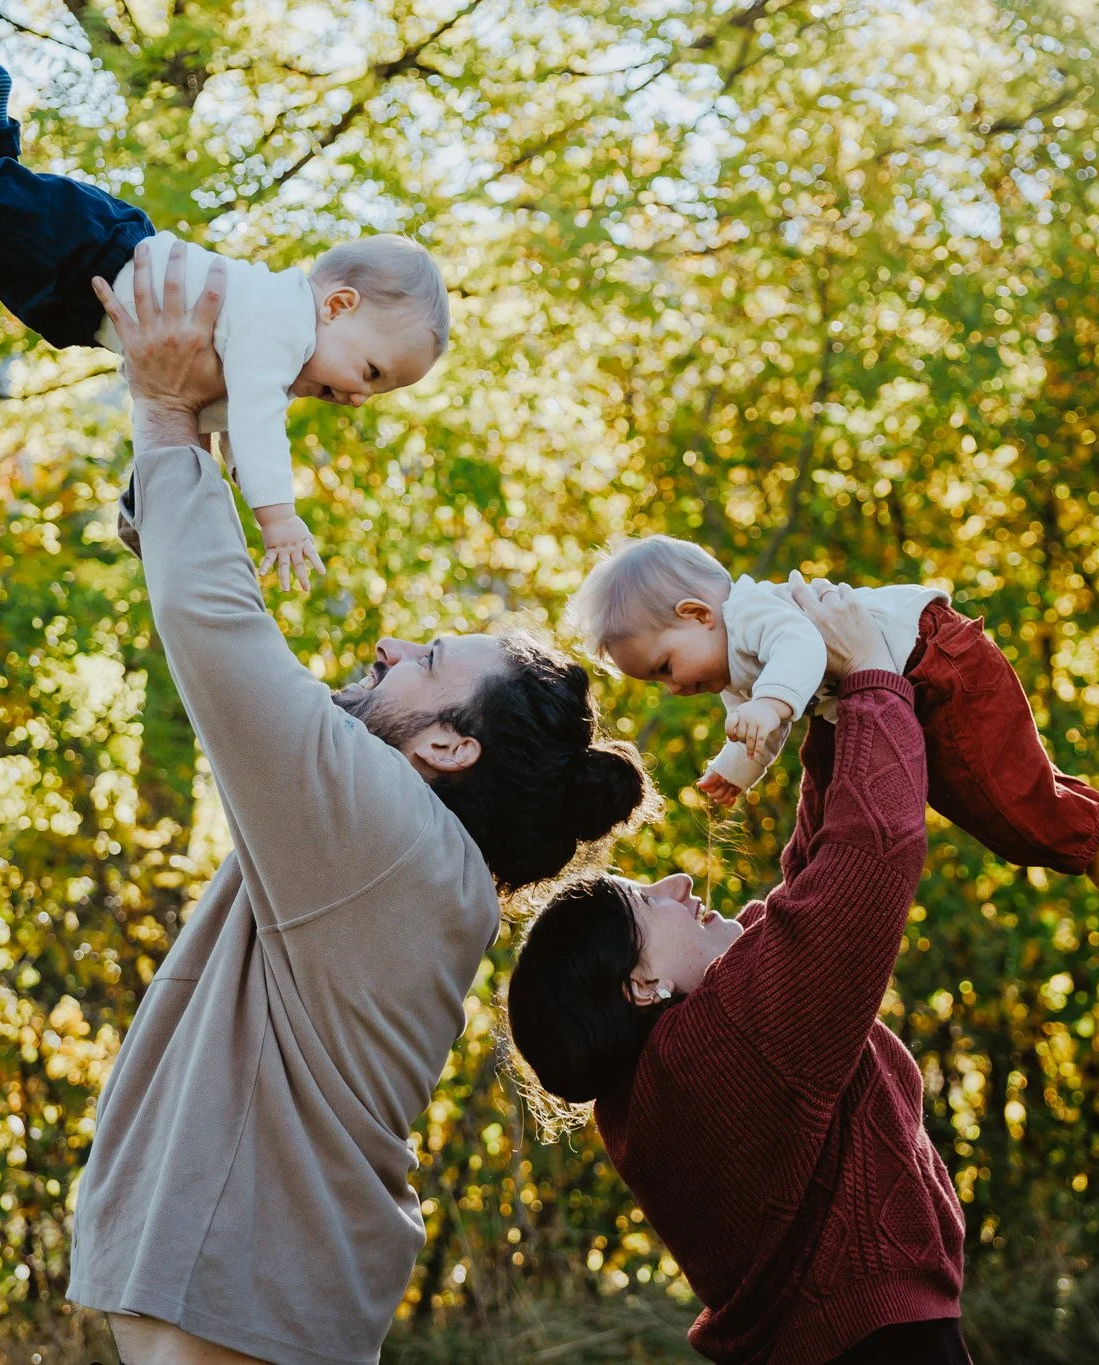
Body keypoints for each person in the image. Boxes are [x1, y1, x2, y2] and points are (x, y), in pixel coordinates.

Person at [65, 244, 649, 1364]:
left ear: (442, 745)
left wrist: (162, 411)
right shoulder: (404, 854)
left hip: (240, 1298)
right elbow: (213, 621)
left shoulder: (384, 838)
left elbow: (221, 639)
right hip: (248, 1299)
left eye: (425, 656)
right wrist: (179, 452)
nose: (386, 645)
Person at [508, 583, 975, 1365]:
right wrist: (868, 678)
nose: (679, 887)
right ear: (639, 985)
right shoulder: (716, 1050)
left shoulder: (665, 1079)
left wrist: (826, 715)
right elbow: (867, 859)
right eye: (646, 903)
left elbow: (810, 891)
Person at [0, 9, 452, 589]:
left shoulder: (273, 355)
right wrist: (278, 520)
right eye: (370, 372)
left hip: (86, 262)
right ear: (337, 306)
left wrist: (185, 505)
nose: (357, 397)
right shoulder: (283, 324)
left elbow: (239, 435)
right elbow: (257, 428)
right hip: (86, 254)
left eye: (378, 391)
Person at [568, 534, 1099, 890]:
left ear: (697, 614)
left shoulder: (754, 611)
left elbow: (802, 648)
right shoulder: (728, 667)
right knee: (828, 806)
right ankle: (804, 891)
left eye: (664, 666)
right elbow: (758, 728)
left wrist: (770, 702)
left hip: (933, 657)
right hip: (864, 694)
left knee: (987, 786)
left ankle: (1084, 832)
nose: (671, 688)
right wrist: (734, 770)